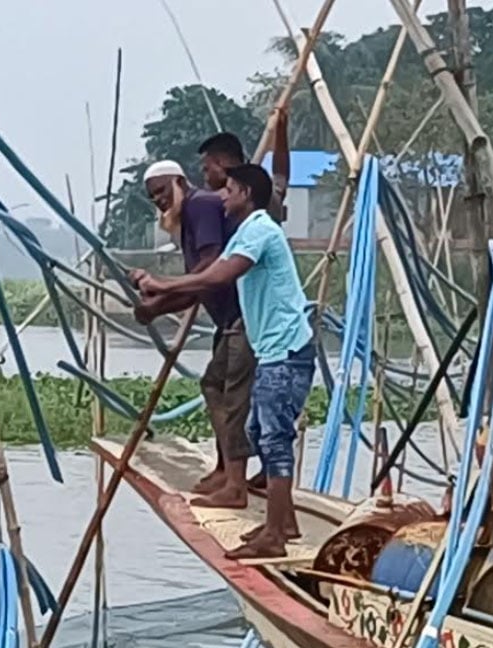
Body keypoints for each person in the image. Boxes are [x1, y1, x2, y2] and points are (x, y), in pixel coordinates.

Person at [138, 162, 315, 559]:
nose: (222, 196)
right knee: (260, 431)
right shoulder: (246, 232)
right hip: (273, 350)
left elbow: (217, 278)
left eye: (229, 190)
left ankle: (274, 535)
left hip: (285, 350)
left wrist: (161, 285)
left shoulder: (259, 230)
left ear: (246, 194)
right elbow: (211, 274)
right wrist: (160, 296)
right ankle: (284, 523)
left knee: (273, 438)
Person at [131, 159, 254, 509]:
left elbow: (210, 270)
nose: (159, 200)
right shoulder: (187, 222)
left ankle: (234, 483)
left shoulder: (200, 205)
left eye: (162, 191)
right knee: (215, 387)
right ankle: (225, 470)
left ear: (180, 183)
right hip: (227, 322)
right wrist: (157, 304)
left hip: (242, 321)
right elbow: (197, 288)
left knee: (230, 397)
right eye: (152, 196)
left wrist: (158, 290)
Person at [196, 113, 292, 491]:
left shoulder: (254, 209)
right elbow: (281, 174)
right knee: (224, 388)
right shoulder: (230, 205)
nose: (206, 178)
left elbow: (280, 177)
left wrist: (172, 287)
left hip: (250, 321)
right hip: (236, 318)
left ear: (223, 166)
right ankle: (239, 468)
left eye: (208, 169)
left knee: (240, 396)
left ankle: (234, 474)